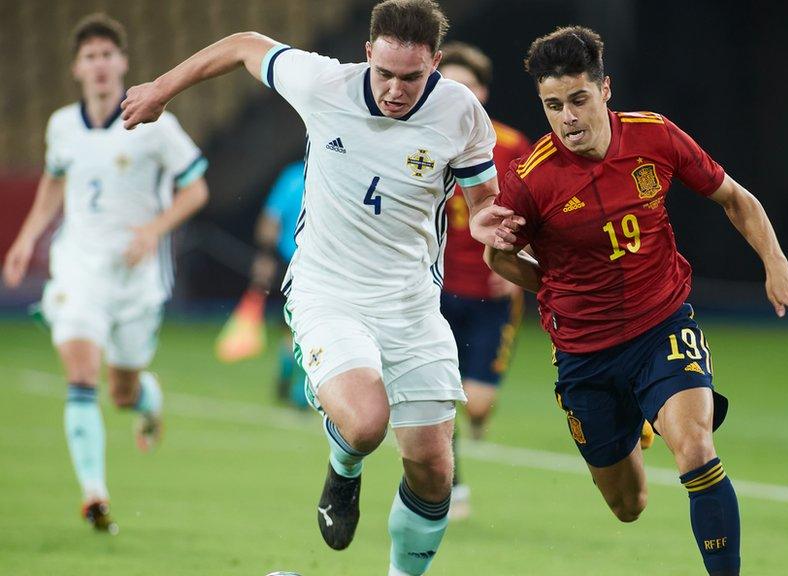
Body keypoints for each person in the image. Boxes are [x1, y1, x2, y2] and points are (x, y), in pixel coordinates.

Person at [120, 1, 514, 574]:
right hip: (327, 291)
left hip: (411, 304)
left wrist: (489, 228)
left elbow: (481, 206)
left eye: (412, 78)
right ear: (367, 55)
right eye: (385, 73)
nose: (396, 90)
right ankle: (344, 466)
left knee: (433, 468)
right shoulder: (325, 83)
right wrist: (161, 87)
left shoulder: (460, 113)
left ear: (434, 64)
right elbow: (244, 44)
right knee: (365, 422)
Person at [483, 27, 788, 576]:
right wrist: (555, 288)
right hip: (584, 354)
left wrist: (776, 266)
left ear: (606, 90)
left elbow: (736, 199)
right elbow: (499, 261)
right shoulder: (529, 181)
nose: (568, 117)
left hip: (661, 325)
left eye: (578, 100)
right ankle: (638, 422)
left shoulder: (655, 137)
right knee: (629, 506)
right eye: (553, 106)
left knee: (694, 447)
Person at [1, 13, 209, 534]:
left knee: (121, 391)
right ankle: (94, 494)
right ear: (76, 68)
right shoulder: (61, 126)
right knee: (79, 372)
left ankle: (148, 398)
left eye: (106, 55)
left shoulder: (154, 123)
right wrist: (26, 239)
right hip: (79, 267)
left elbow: (197, 189)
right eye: (89, 57)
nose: (98, 65)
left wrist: (153, 230)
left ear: (122, 63)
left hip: (136, 276)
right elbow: (53, 182)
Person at [435, 41, 532, 520]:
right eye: (448, 85)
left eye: (466, 87)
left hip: (493, 294)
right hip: (433, 292)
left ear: (482, 94)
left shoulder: (513, 146)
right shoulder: (420, 143)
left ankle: (476, 419)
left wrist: (523, 268)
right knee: (440, 392)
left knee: (475, 405)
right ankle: (452, 486)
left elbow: (539, 213)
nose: (457, 94)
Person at [250, 159, 307, 407]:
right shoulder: (340, 173)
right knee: (311, 326)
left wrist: (265, 254)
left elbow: (270, 220)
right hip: (319, 262)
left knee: (293, 324)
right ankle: (300, 390)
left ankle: (287, 366)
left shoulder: (293, 176)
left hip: (289, 261)